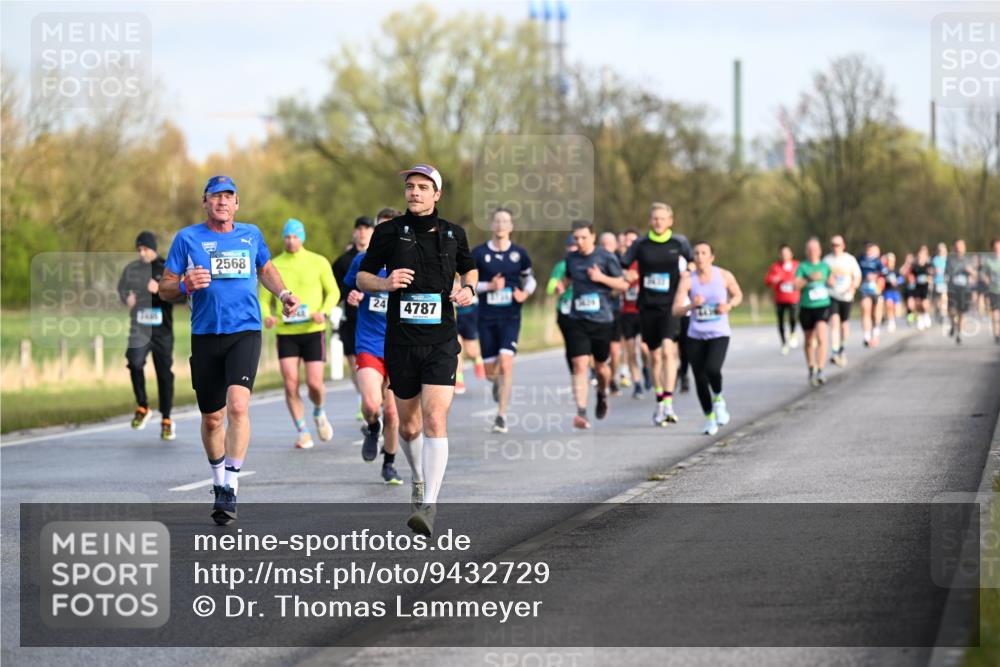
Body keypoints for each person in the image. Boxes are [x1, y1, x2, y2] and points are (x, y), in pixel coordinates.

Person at [159, 175, 300, 525]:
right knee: (212, 418)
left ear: (237, 203)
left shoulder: (251, 235)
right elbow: (164, 289)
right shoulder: (187, 238)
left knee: (238, 405)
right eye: (215, 197)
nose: (222, 202)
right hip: (206, 334)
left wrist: (283, 295)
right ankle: (218, 478)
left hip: (245, 331)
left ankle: (231, 486)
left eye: (229, 197)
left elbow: (265, 268)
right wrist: (183, 284)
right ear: (204, 202)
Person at [357, 164, 476, 537]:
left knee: (435, 418)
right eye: (410, 187)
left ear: (437, 194)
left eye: (424, 187)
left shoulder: (454, 234)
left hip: (441, 341)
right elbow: (363, 276)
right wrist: (385, 282)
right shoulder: (388, 232)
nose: (415, 192)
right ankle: (420, 479)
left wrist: (469, 290)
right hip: (401, 342)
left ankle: (430, 505)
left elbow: (470, 270)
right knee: (408, 427)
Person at [260, 218, 339, 449]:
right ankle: (303, 431)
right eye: (287, 237)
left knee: (315, 384)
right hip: (287, 332)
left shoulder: (318, 261)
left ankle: (318, 410)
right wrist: (267, 315)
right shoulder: (274, 264)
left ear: (302, 238)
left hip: (312, 330)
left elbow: (333, 291)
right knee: (290, 383)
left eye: (295, 236)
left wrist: (323, 313)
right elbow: (263, 299)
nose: (291, 241)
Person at [344, 207, 404, 483]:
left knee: (393, 412)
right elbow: (351, 290)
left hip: (400, 345)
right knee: (371, 403)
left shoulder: (410, 261)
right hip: (369, 341)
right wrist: (353, 297)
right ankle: (371, 426)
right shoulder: (362, 260)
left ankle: (389, 463)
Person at [620, 202, 692, 426]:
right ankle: (659, 399)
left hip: (670, 306)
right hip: (647, 306)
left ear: (670, 221)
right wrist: (628, 274)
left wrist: (687, 281)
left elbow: (691, 264)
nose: (659, 222)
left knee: (669, 351)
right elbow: (623, 264)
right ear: (650, 221)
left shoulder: (679, 243)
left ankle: (668, 402)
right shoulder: (641, 244)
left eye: (663, 218)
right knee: (655, 356)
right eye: (655, 218)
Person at [472, 208, 536, 434]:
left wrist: (525, 294)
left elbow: (530, 280)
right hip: (486, 318)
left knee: (506, 362)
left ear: (511, 227)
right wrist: (489, 286)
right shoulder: (478, 254)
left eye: (505, 221)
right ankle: (497, 384)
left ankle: (501, 416)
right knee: (491, 373)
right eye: (497, 221)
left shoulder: (519, 254)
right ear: (491, 225)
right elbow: (466, 284)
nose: (500, 225)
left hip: (510, 317)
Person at [561, 220, 629, 429]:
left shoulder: (606, 257)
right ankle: (581, 412)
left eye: (583, 238)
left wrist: (600, 277)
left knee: (601, 368)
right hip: (577, 319)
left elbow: (623, 284)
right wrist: (560, 287)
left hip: (602, 320)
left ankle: (601, 394)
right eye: (576, 238)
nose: (579, 242)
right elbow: (568, 279)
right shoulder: (571, 258)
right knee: (580, 364)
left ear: (592, 237)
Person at [672, 242, 743, 435]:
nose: (700, 256)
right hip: (695, 335)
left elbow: (738, 295)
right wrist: (690, 306)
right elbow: (676, 310)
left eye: (704, 253)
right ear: (693, 258)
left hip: (719, 333)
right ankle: (709, 418)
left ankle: (718, 398)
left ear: (712, 257)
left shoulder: (724, 275)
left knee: (712, 369)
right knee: (700, 379)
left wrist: (728, 306)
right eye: (696, 253)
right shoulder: (688, 279)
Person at [117, 231, 177, 440]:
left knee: (164, 375)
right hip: (139, 329)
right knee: (134, 362)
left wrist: (159, 289)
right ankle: (143, 406)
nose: (142, 253)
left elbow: (179, 296)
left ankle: (167, 419)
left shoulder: (167, 267)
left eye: (145, 249)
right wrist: (126, 298)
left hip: (162, 332)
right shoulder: (132, 269)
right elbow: (121, 289)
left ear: (153, 248)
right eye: (139, 249)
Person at [333, 216, 375, 419]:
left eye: (367, 228)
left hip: (375, 322)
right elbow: (337, 291)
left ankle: (374, 401)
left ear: (373, 232)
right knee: (354, 364)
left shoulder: (381, 258)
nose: (363, 232)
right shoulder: (344, 261)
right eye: (359, 229)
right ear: (354, 232)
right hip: (351, 320)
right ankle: (363, 401)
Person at [795, 237, 834, 386]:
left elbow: (832, 281)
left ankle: (821, 369)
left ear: (819, 251)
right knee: (809, 340)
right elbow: (795, 286)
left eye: (815, 249)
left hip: (822, 305)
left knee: (822, 336)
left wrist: (830, 281)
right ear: (806, 251)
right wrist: (810, 278)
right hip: (806, 307)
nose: (812, 252)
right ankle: (811, 367)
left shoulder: (825, 266)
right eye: (810, 249)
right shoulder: (802, 267)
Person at [823, 235, 861, 367]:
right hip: (832, 295)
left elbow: (857, 276)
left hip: (846, 296)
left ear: (843, 245)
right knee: (834, 322)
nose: (835, 247)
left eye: (838, 244)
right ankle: (834, 351)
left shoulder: (849, 259)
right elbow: (821, 276)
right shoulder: (827, 260)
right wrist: (827, 281)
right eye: (833, 244)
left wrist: (852, 288)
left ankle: (842, 349)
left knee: (844, 324)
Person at [599, 231, 625, 396]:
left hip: (614, 310)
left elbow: (623, 285)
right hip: (596, 313)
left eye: (609, 244)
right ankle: (601, 375)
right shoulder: (593, 261)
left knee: (614, 351)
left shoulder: (619, 262)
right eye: (603, 244)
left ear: (615, 245)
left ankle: (613, 378)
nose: (606, 248)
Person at [547, 234, 578, 374]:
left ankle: (590, 369)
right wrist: (556, 288)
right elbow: (550, 286)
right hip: (565, 310)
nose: (572, 249)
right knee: (571, 345)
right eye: (570, 246)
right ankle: (575, 373)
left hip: (584, 310)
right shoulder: (561, 266)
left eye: (575, 246)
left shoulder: (588, 262)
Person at [764, 243, 800, 355]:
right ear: (780, 255)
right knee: (780, 322)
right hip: (780, 299)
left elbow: (802, 279)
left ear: (791, 254)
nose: (785, 255)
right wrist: (773, 280)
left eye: (787, 253)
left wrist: (796, 282)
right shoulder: (775, 267)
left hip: (793, 298)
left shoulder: (797, 265)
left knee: (792, 317)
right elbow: (767, 280)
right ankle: (784, 343)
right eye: (782, 253)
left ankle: (793, 333)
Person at [857, 242, 888, 348]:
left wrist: (875, 276)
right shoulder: (860, 259)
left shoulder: (878, 261)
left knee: (876, 312)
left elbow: (885, 272)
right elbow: (855, 271)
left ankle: (875, 331)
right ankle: (866, 336)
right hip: (865, 289)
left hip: (876, 290)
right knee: (866, 310)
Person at [946, 239, 976, 345]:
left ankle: (959, 333)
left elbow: (974, 274)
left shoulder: (968, 260)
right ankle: (953, 325)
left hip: (964, 289)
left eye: (961, 246)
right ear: (954, 248)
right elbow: (947, 273)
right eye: (957, 246)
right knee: (952, 311)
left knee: (961, 312)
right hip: (953, 289)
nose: (959, 248)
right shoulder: (950, 260)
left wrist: (970, 271)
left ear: (964, 248)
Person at [910, 245, 934, 331]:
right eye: (920, 253)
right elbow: (911, 276)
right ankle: (920, 318)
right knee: (918, 303)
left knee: (924, 303)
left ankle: (926, 315)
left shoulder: (929, 264)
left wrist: (930, 280)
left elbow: (932, 275)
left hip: (925, 286)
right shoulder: (914, 265)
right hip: (917, 286)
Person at [984, 238, 1000, 345]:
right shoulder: (988, 261)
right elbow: (985, 275)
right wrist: (988, 281)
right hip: (993, 290)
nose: (997, 249)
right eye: (995, 247)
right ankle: (997, 334)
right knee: (994, 313)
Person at [882, 252, 901, 334]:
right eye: (889, 260)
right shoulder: (884, 271)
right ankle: (891, 321)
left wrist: (897, 281)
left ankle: (891, 319)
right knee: (889, 305)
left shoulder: (896, 270)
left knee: (896, 310)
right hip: (887, 291)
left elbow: (902, 278)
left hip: (895, 291)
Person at [932, 242, 949, 323]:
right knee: (937, 299)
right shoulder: (936, 259)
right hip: (937, 281)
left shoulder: (947, 259)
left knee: (944, 297)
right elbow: (934, 270)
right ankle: (938, 310)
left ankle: (943, 313)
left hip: (945, 282)